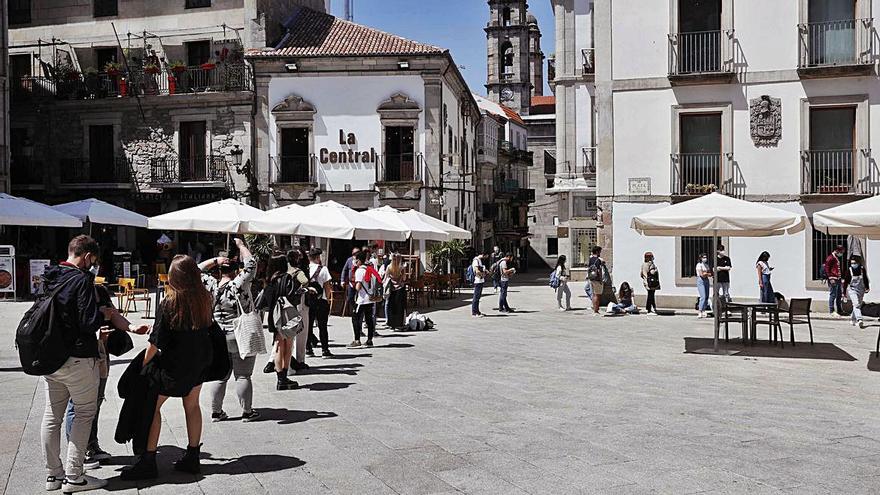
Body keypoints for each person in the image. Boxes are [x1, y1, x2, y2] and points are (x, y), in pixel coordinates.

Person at [120, 255, 216, 480]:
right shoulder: (205, 298)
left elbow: (156, 341)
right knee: (192, 405)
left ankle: (149, 460)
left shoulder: (170, 302)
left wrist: (143, 364)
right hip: (199, 362)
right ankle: (193, 456)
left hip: (173, 366)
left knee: (152, 406)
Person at [39, 235, 107, 492]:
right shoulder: (82, 280)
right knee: (84, 413)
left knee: (51, 416)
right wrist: (102, 313)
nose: (93, 265)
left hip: (50, 358)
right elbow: (89, 323)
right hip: (77, 358)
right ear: (88, 256)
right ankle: (74, 477)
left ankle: (53, 476)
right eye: (94, 260)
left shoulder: (50, 276)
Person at [64, 285, 149, 470]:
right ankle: (77, 453)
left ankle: (91, 445)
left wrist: (133, 328)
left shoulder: (99, 291)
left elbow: (114, 314)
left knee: (95, 402)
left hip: (101, 354)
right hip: (81, 353)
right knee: (77, 405)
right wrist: (97, 329)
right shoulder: (73, 289)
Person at [201, 238, 259, 422]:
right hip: (240, 333)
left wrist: (215, 260)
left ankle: (216, 412)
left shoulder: (211, 285)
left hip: (218, 336)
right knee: (243, 375)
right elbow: (252, 264)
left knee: (220, 376)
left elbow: (195, 270)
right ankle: (247, 412)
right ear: (236, 270)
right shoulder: (239, 284)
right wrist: (242, 246)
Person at [260, 255, 302, 390]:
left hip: (274, 316)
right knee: (288, 346)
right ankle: (284, 376)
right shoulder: (288, 278)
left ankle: (280, 379)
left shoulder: (269, 280)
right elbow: (294, 297)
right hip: (287, 315)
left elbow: (267, 300)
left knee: (278, 345)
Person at [287, 249, 312, 373]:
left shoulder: (282, 270)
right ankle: (299, 360)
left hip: (284, 305)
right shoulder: (298, 271)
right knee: (301, 332)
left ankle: (279, 361)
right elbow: (305, 281)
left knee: (285, 334)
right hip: (299, 304)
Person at [306, 247, 334, 358]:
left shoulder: (305, 269)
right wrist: (327, 299)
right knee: (322, 326)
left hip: (308, 301)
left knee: (309, 325)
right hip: (321, 300)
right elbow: (327, 286)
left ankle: (308, 349)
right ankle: (325, 350)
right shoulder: (323, 269)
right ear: (318, 257)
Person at [349, 250, 380, 348]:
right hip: (370, 298)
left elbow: (358, 286)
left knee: (356, 318)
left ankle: (357, 339)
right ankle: (370, 340)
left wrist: (354, 286)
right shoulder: (369, 269)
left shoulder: (359, 271)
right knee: (369, 319)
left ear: (359, 260)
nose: (355, 262)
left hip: (361, 299)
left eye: (355, 260)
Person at [844, 255, 870, 328]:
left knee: (857, 305)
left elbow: (865, 278)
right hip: (852, 290)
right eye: (852, 263)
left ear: (858, 263)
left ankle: (853, 320)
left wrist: (867, 287)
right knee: (856, 304)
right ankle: (859, 319)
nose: (853, 265)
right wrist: (844, 293)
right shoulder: (849, 270)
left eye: (855, 263)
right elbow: (845, 282)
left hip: (861, 289)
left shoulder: (862, 269)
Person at [384, 253, 408, 330]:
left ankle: (392, 324)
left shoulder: (389, 267)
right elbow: (404, 278)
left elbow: (386, 278)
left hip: (391, 289)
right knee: (399, 307)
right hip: (400, 288)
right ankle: (399, 324)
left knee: (392, 307)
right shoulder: (401, 267)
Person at [825, 245, 845, 317]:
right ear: (837, 250)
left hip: (838, 279)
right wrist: (830, 278)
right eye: (841, 252)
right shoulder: (830, 258)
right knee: (833, 295)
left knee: (839, 295)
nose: (841, 254)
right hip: (833, 279)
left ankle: (839, 310)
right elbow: (827, 269)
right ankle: (831, 311)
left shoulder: (835, 257)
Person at [588, 246, 607, 316]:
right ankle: (596, 311)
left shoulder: (591, 259)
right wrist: (601, 279)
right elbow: (599, 270)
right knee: (597, 295)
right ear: (597, 252)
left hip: (591, 278)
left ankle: (594, 309)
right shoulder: (598, 260)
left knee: (593, 294)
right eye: (599, 251)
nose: (600, 253)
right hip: (597, 279)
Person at [341, 247, 360, 315]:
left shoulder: (360, 260)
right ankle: (355, 308)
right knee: (350, 298)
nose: (355, 254)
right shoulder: (349, 260)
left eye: (356, 253)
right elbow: (344, 270)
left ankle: (358, 312)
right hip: (351, 282)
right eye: (354, 253)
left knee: (359, 299)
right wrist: (342, 280)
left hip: (359, 282)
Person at [695, 253, 713, 318]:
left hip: (706, 280)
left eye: (706, 257)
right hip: (700, 280)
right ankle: (699, 311)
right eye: (704, 257)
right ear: (701, 258)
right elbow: (701, 274)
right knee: (703, 296)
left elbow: (710, 273)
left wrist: (706, 273)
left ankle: (703, 310)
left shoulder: (706, 265)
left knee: (707, 296)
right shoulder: (699, 265)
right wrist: (706, 273)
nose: (705, 258)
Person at [471, 252, 488, 317]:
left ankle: (477, 311)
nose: (485, 258)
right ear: (483, 255)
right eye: (485, 256)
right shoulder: (476, 260)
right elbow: (476, 270)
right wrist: (482, 274)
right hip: (477, 280)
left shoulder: (479, 261)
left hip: (480, 280)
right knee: (476, 296)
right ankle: (474, 312)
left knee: (478, 297)